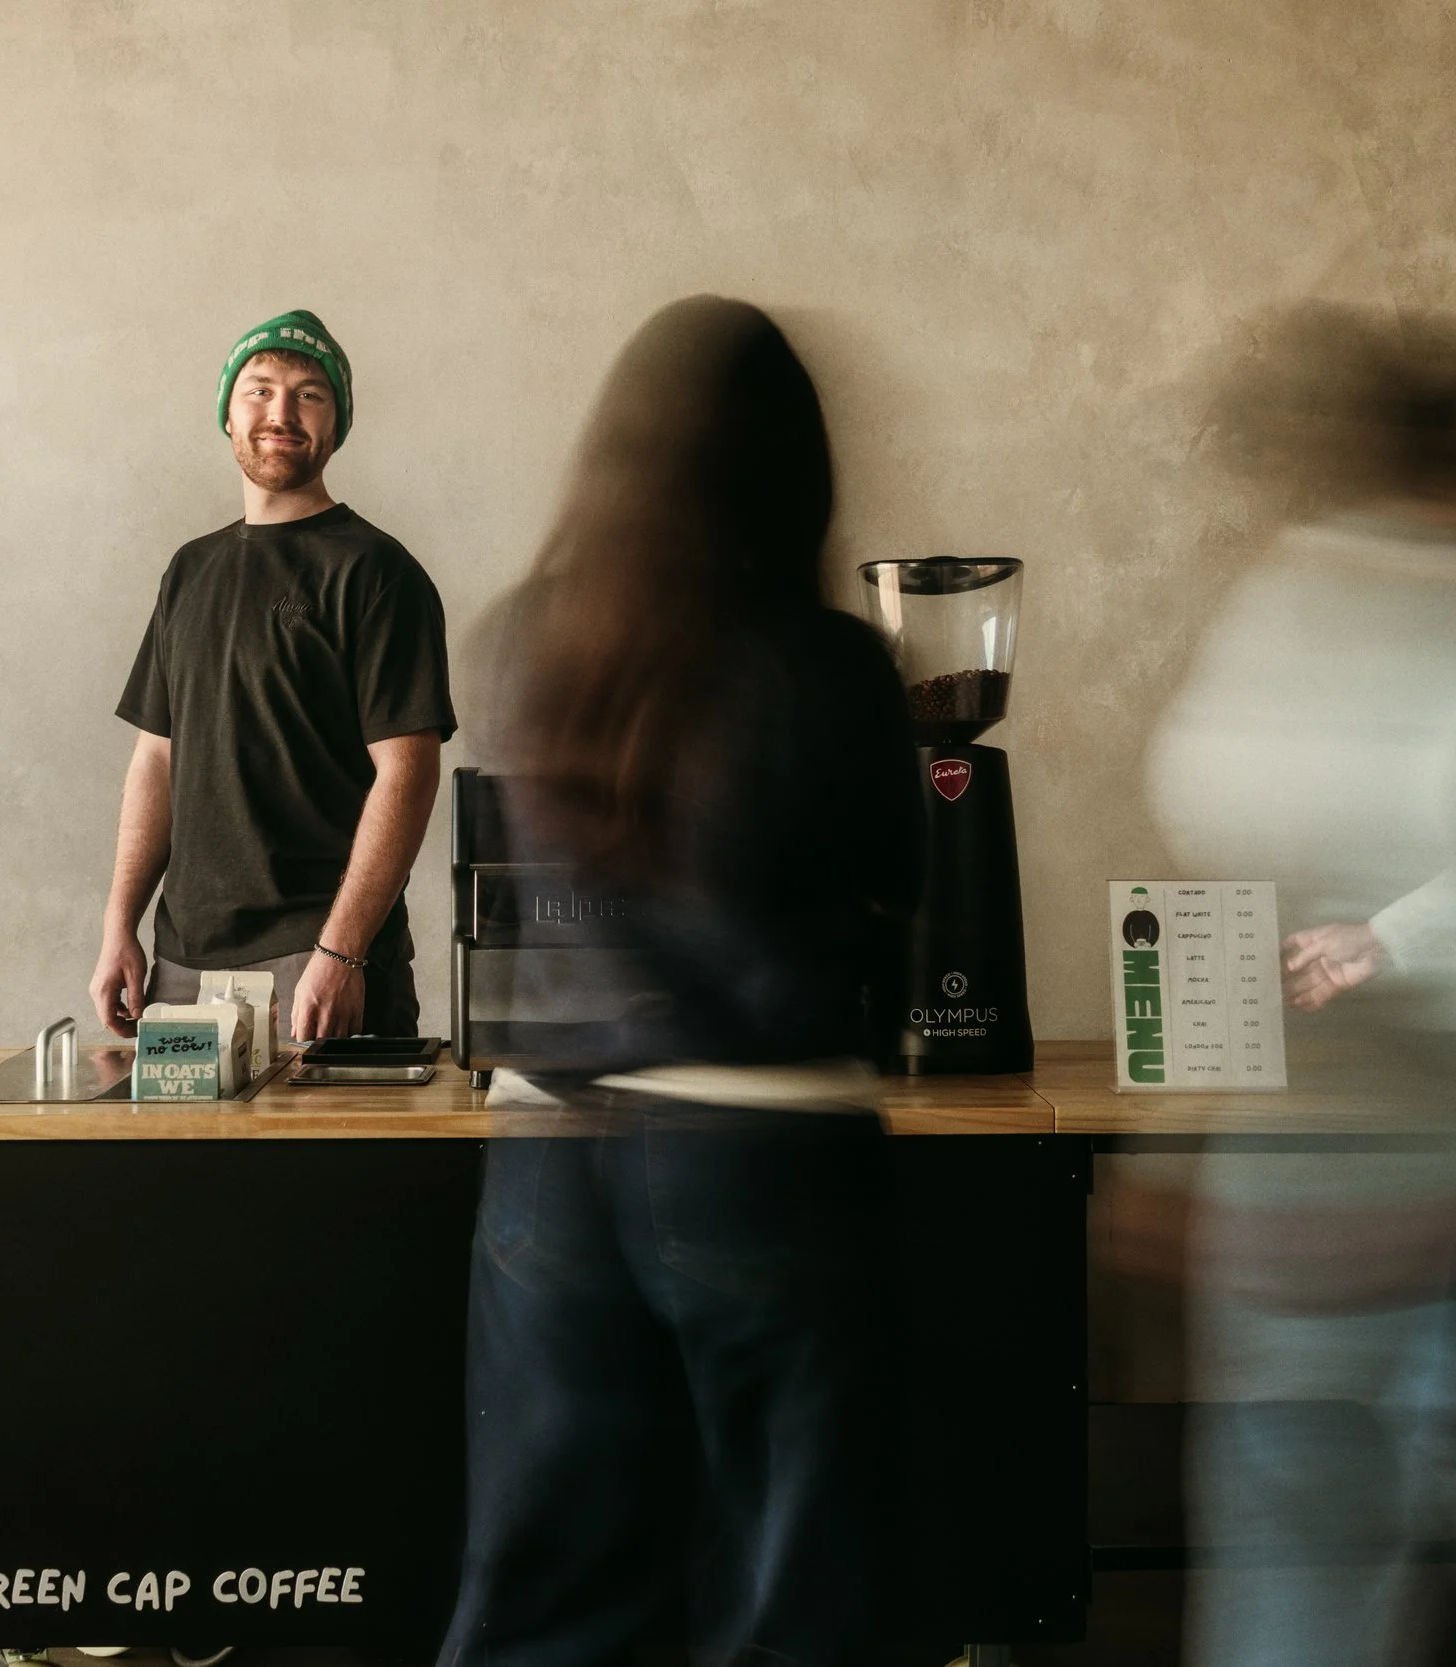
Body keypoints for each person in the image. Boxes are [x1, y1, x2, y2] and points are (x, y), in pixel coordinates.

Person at [439, 297, 921, 1667]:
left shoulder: (527, 638)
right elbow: (894, 903)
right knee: (793, 1588)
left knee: (547, 1591)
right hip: (762, 1142)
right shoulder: (830, 661)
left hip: (546, 1156)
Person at [1146, 302, 1456, 1667]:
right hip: (1442, 1203)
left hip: (1287, 1216)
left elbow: (1213, 886)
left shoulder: (1273, 613)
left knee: (1290, 1605)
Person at [91, 310, 453, 1043]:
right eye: (259, 390)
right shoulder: (189, 572)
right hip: (183, 965)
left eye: (308, 394)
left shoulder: (376, 573)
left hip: (320, 961)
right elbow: (156, 761)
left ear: (336, 423)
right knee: (191, 1163)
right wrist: (118, 925)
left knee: (333, 1165)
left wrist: (342, 949)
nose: (280, 413)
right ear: (228, 412)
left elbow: (408, 775)